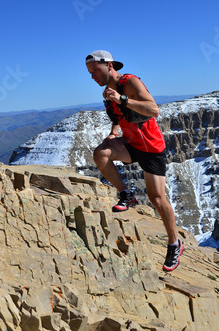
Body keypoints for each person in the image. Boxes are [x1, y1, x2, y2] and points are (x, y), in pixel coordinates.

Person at [85, 50, 184, 272]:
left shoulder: (131, 82)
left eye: (95, 71)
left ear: (109, 65)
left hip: (151, 149)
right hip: (130, 144)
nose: (92, 76)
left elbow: (153, 110)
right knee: (101, 153)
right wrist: (113, 132)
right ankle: (126, 194)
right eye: (90, 73)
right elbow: (117, 118)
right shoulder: (107, 93)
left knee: (157, 199)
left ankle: (174, 244)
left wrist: (122, 99)